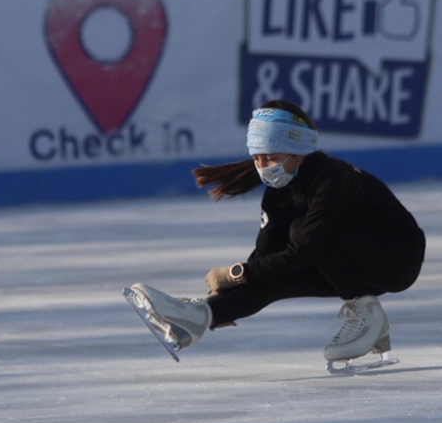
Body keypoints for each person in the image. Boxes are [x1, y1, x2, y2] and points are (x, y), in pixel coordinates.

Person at [127, 100, 426, 368]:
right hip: (345, 258)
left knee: (300, 234)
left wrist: (234, 274)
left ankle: (366, 313)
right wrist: (223, 295)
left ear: (297, 149)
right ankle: (195, 319)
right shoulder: (278, 192)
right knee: (271, 277)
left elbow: (305, 250)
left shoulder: (332, 178)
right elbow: (263, 260)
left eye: (269, 158)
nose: (262, 168)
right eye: (257, 159)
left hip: (397, 258)